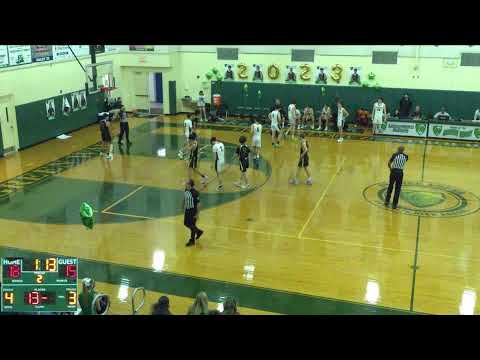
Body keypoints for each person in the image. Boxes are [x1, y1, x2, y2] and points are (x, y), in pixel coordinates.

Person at [183, 179, 203, 247]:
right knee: (187, 224)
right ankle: (198, 232)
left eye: (186, 183)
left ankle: (192, 240)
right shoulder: (186, 189)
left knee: (191, 224)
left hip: (192, 211)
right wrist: (183, 205)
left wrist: (197, 214)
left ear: (189, 185)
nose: (185, 184)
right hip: (187, 209)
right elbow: (185, 197)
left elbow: (199, 204)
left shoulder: (194, 193)